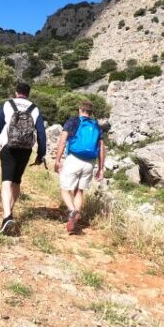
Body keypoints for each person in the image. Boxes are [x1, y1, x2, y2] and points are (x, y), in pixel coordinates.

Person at [0, 82, 46, 235]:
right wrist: (41, 154)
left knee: (6, 181)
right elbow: (41, 133)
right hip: (26, 149)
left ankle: (7, 216)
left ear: (16, 92)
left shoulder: (8, 105)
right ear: (29, 93)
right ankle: (9, 214)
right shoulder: (34, 109)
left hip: (8, 146)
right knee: (16, 181)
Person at [53, 99, 105, 235]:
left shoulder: (73, 121)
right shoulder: (96, 126)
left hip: (74, 159)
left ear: (80, 110)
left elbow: (63, 140)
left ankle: (72, 211)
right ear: (91, 112)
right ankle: (74, 222)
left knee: (64, 189)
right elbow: (101, 148)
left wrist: (58, 160)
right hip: (89, 163)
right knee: (79, 191)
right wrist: (100, 168)